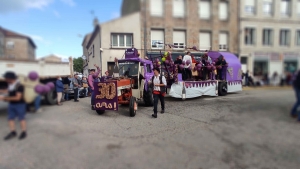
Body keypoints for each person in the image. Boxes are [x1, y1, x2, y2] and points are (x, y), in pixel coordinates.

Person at [0, 71, 27, 140]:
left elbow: (18, 98)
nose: (5, 79)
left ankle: (24, 132)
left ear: (10, 78)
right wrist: (1, 91)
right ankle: (13, 132)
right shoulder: (10, 84)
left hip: (20, 105)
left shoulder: (19, 86)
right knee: (10, 118)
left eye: (6, 78)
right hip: (11, 104)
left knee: (21, 118)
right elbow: (9, 91)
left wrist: (4, 98)